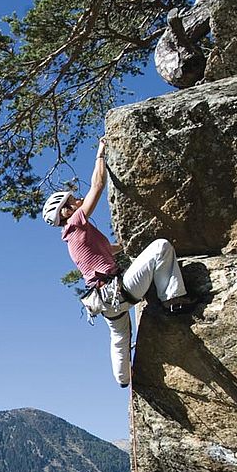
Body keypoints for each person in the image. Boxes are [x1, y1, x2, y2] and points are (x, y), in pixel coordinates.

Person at [42, 141, 194, 388]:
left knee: (119, 337)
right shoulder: (76, 224)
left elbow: (110, 249)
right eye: (72, 200)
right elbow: (98, 186)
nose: (78, 200)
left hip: (105, 301)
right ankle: (173, 299)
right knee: (161, 247)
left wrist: (128, 242)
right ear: (67, 212)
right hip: (118, 289)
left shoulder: (74, 238)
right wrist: (100, 155)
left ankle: (123, 379)